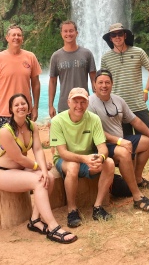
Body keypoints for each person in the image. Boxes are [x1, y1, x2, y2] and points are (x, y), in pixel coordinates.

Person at [101, 23, 149, 188]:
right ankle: (135, 180)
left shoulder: (138, 52)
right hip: (117, 109)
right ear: (110, 38)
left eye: (119, 34)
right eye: (113, 35)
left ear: (125, 35)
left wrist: (146, 90)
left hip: (137, 105)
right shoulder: (106, 58)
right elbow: (103, 81)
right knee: (127, 146)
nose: (117, 37)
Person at [0, 93, 77, 244]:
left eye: (23, 103)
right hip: (1, 173)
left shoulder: (32, 126)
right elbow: (18, 158)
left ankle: (35, 220)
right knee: (39, 181)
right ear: (11, 109)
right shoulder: (6, 131)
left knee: (48, 177)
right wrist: (38, 168)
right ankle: (53, 227)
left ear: (29, 106)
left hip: (19, 170)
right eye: (16, 105)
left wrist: (43, 170)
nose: (20, 107)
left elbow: (37, 150)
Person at [88, 69, 149, 212]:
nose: (104, 85)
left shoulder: (118, 100)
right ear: (94, 85)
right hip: (102, 145)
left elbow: (135, 121)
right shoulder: (90, 103)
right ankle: (137, 198)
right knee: (123, 152)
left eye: (107, 82)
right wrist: (119, 141)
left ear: (112, 84)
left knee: (147, 143)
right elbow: (95, 131)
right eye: (100, 82)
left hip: (120, 141)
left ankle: (136, 179)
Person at [50, 87, 115, 228]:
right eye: (75, 101)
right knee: (73, 166)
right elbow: (62, 152)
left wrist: (101, 158)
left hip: (87, 159)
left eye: (83, 102)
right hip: (65, 160)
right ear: (68, 102)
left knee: (109, 163)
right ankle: (72, 210)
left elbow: (102, 147)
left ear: (87, 103)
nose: (79, 106)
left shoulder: (94, 119)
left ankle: (97, 207)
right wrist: (84, 159)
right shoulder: (57, 121)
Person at [0, 24, 42, 128]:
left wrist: (35, 107)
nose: (16, 37)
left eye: (19, 35)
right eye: (13, 35)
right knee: (4, 144)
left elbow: (36, 84)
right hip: (3, 113)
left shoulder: (30, 57)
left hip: (24, 112)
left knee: (25, 144)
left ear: (22, 38)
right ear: (7, 38)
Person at [48, 20, 96, 118]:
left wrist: (97, 103)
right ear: (61, 33)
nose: (68, 34)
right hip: (64, 104)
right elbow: (52, 82)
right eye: (65, 31)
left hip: (83, 104)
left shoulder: (87, 54)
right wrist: (50, 106)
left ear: (76, 33)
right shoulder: (56, 56)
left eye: (71, 31)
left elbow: (94, 80)